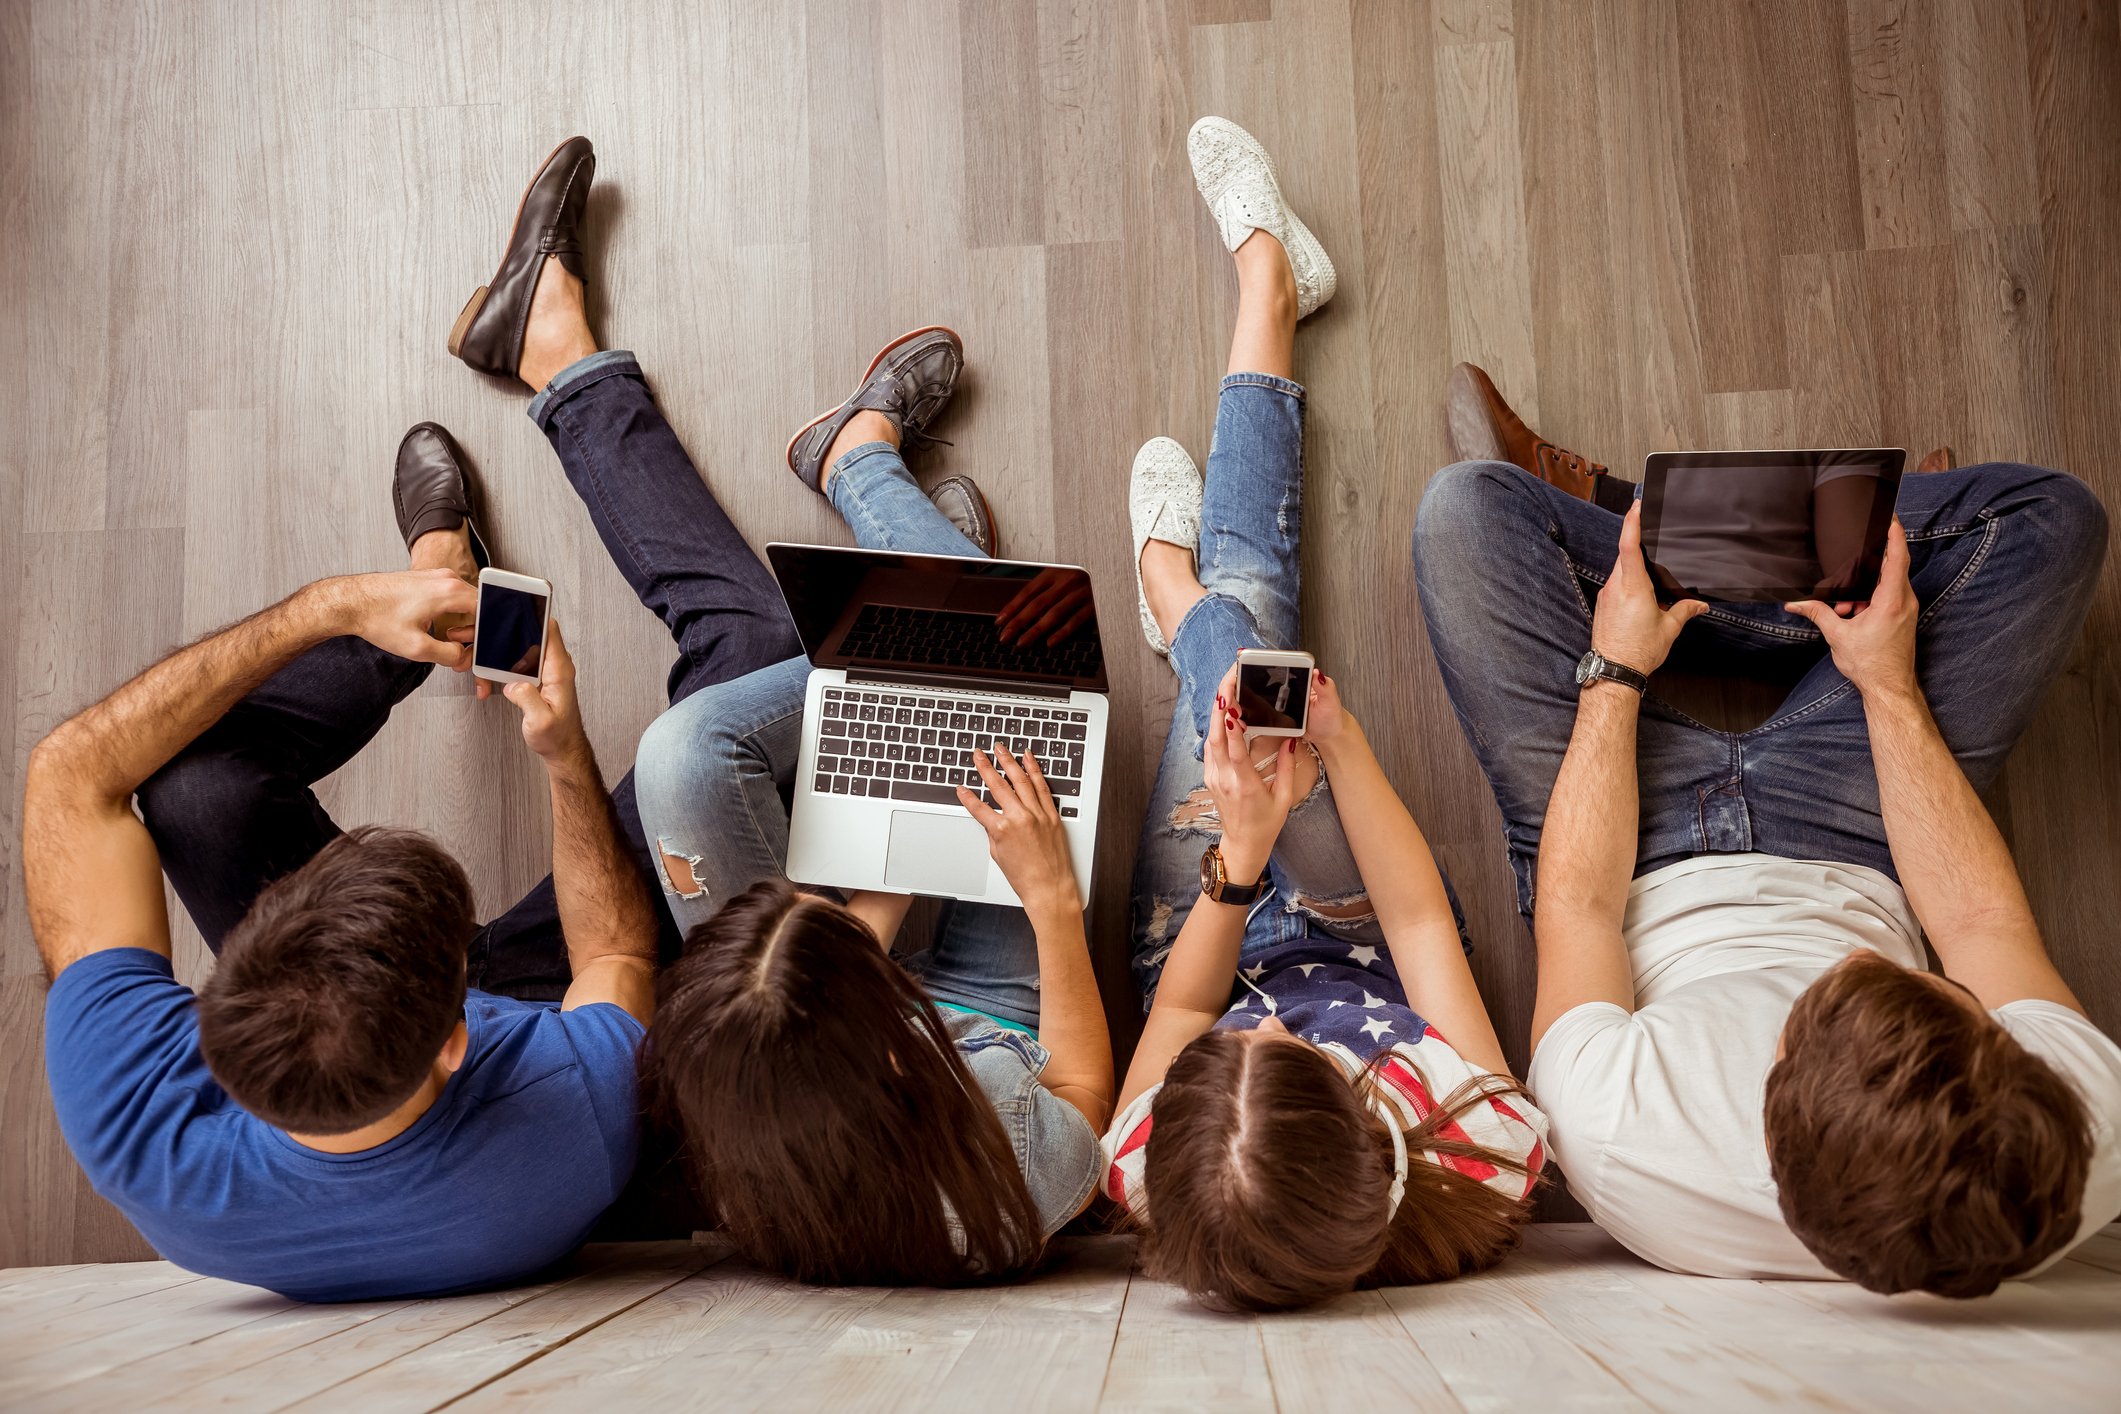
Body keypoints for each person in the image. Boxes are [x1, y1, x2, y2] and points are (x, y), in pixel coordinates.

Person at [25, 134, 791, 1302]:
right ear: (458, 1032)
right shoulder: (568, 1116)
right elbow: (614, 956)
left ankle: (435, 583)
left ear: (215, 1015)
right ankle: (555, 353)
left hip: (364, 1031)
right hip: (553, 1002)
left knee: (192, 788)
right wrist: (562, 751)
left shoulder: (140, 1131)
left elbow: (71, 775)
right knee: (758, 665)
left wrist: (336, 607)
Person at [1414, 377, 2121, 1296]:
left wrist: (1617, 667)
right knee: (2051, 519)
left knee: (1467, 509)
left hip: (1630, 858)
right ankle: (1849, 576)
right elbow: (1978, 924)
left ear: (1769, 1110)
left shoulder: (1622, 1143)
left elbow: (1577, 909)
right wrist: (1888, 685)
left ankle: (1708, 544)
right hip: (1866, 834)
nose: (1846, 959)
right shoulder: (2075, 1133)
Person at [1098, 117, 1546, 1315]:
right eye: (1285, 1053)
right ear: (1362, 1114)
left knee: (1245, 669)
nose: (1262, 1026)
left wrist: (1240, 866)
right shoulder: (1481, 1144)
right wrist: (1339, 743)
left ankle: (1186, 606)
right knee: (1263, 679)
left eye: (1227, 1062)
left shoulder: (1152, 1172)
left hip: (1205, 925)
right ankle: (1188, 583)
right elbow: (1421, 925)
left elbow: (1189, 1006)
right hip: (1360, 925)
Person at [627, 327, 1114, 1287]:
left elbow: (800, 982)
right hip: (998, 1020)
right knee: (1032, 681)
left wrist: (886, 865)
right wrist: (1052, 901)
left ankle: (921, 600)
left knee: (680, 755)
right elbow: (1081, 1096)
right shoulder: (1006, 1173)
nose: (850, 915)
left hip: (804, 1014)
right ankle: (882, 507)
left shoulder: (727, 1091)